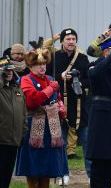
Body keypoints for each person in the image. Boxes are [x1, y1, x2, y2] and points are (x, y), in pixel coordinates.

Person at [15, 47, 69, 188]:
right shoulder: (26, 80)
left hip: (51, 129)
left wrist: (61, 108)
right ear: (31, 66)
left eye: (44, 64)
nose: (42, 67)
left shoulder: (50, 79)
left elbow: (57, 99)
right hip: (33, 127)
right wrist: (51, 88)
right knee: (34, 170)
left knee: (47, 170)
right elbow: (32, 101)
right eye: (38, 64)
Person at [46, 28, 91, 183]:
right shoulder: (54, 57)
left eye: (73, 39)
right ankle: (61, 174)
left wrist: (76, 80)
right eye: (68, 39)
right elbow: (49, 79)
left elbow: (89, 80)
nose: (71, 42)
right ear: (62, 41)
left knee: (87, 142)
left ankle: (92, 176)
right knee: (60, 142)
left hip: (80, 106)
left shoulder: (83, 58)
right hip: (60, 104)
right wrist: (61, 77)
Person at [86, 35, 111, 188]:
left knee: (109, 163)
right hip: (101, 118)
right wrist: (109, 58)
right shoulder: (99, 65)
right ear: (106, 51)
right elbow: (94, 74)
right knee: (99, 163)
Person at [0, 58, 26, 188]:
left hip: (14, 140)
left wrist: (23, 132)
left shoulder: (17, 90)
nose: (9, 72)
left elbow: (23, 113)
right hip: (1, 139)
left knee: (6, 177)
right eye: (6, 70)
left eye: (11, 70)